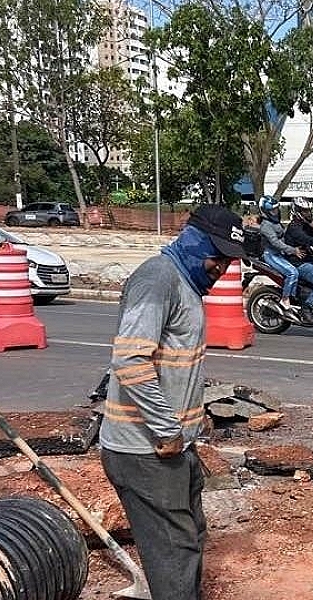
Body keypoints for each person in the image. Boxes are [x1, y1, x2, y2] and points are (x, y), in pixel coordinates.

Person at [99, 204, 247, 600]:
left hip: (173, 446)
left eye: (230, 260)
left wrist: (189, 429)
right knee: (174, 552)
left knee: (190, 536)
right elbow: (130, 359)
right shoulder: (158, 279)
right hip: (145, 449)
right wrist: (167, 428)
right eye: (218, 256)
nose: (223, 268)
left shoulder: (185, 283)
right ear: (194, 241)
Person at [257, 195, 301, 314]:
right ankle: (285, 299)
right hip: (271, 255)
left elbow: (285, 235)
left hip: (279, 254)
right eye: (272, 210)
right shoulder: (266, 226)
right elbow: (275, 243)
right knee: (292, 273)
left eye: (276, 209)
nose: (275, 212)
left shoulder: (276, 223)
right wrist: (293, 250)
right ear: (266, 212)